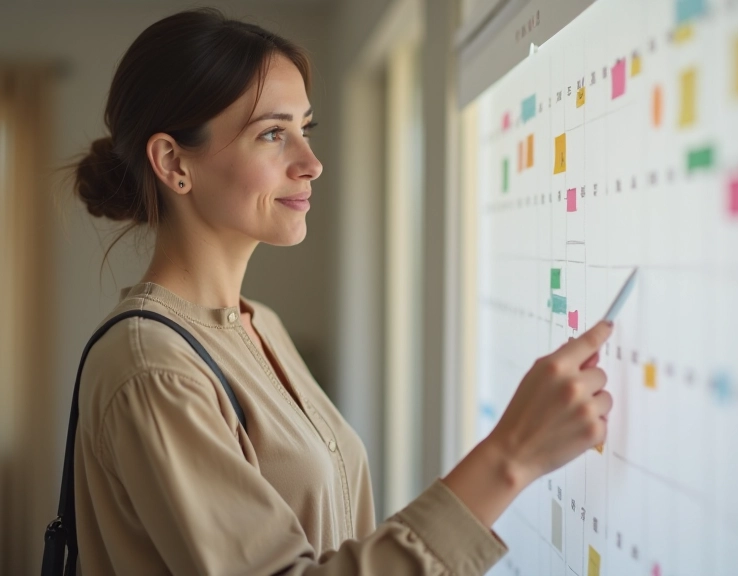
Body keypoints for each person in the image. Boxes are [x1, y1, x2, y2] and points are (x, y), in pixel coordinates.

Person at [70, 8, 613, 575]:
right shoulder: (154, 369)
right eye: (272, 134)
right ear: (172, 162)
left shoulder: (260, 324)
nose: (312, 163)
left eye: (305, 130)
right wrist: (511, 456)